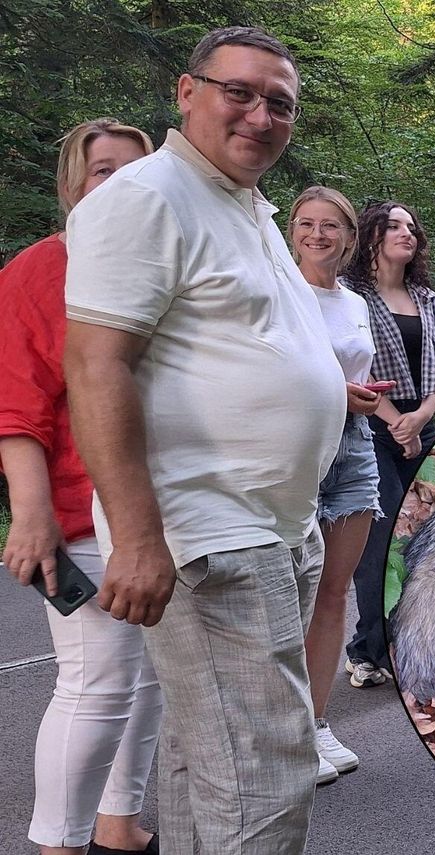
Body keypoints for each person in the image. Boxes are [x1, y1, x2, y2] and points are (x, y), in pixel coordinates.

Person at [63, 27, 345, 854]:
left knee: (206, 757)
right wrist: (140, 539)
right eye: (241, 92)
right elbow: (96, 364)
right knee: (263, 774)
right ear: (187, 94)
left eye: (280, 104)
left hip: (275, 525)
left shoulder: (243, 203)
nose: (260, 115)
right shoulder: (146, 196)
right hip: (208, 534)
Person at [1, 118, 160, 855]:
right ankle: (56, 844)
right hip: (75, 515)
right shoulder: (39, 270)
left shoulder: (161, 266)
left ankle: (118, 825)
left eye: (136, 170)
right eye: (104, 170)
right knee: (95, 681)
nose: (122, 182)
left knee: (147, 680)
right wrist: (30, 513)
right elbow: (15, 403)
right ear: (72, 186)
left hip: (159, 516)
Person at [286, 186, 384, 783]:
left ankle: (317, 724)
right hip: (295, 449)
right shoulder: (277, 293)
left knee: (332, 594)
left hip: (354, 447)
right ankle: (286, 733)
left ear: (350, 238)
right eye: (306, 224)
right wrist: (331, 392)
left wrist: (366, 401)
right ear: (291, 231)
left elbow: (358, 370)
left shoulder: (353, 303)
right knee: (286, 596)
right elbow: (262, 375)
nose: (317, 234)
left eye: (330, 226)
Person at [340, 200, 435, 688]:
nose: (406, 233)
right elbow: (350, 364)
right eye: (393, 226)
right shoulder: (351, 297)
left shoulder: (429, 300)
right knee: (378, 542)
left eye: (412, 226)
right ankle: (369, 649)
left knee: (423, 539)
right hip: (369, 426)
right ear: (370, 235)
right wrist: (395, 423)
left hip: (422, 423)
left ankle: (413, 638)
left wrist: (422, 417)